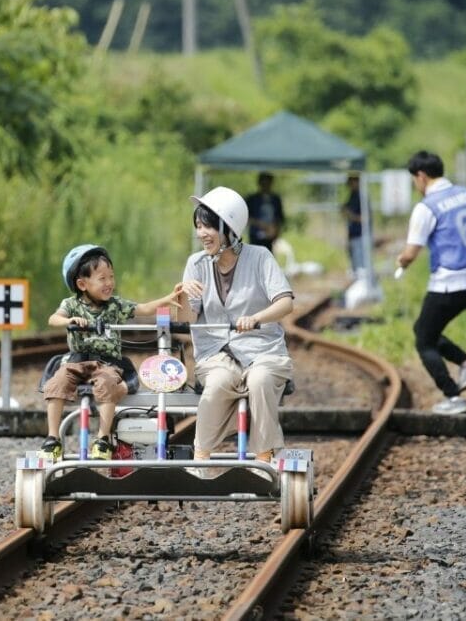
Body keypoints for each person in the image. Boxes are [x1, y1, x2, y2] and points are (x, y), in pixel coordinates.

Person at [176, 186, 295, 467]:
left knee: (260, 380)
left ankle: (264, 458)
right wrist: (181, 293)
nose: (201, 233)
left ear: (229, 228)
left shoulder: (260, 257)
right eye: (198, 226)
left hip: (262, 347)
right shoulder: (196, 263)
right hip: (215, 353)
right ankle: (201, 458)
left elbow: (285, 302)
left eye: (208, 226)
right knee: (217, 384)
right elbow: (187, 318)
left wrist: (257, 318)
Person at [40, 244, 183, 461]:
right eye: (102, 278)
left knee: (108, 384)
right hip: (77, 361)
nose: (109, 284)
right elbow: (53, 319)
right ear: (82, 284)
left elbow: (142, 309)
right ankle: (52, 438)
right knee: (56, 382)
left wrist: (166, 299)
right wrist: (69, 321)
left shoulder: (115, 305)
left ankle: (102, 438)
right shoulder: (70, 305)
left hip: (106, 363)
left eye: (111, 277)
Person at [395, 151, 466, 415]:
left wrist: (401, 262)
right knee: (426, 330)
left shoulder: (427, 206)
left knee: (424, 340)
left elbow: (411, 253)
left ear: (421, 176)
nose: (415, 185)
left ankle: (453, 396)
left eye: (414, 180)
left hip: (448, 282)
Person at [245, 172, 285, 252]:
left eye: (268, 183)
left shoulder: (275, 199)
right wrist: (262, 225)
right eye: (263, 183)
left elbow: (279, 218)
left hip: (270, 237)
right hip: (255, 235)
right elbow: (247, 217)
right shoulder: (252, 199)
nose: (265, 186)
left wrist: (275, 231)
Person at [341, 174, 365, 274]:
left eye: (351, 183)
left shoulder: (361, 197)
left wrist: (349, 214)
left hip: (361, 235)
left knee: (361, 267)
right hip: (353, 235)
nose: (350, 186)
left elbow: (364, 218)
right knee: (354, 266)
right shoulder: (353, 195)